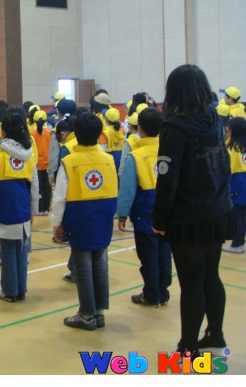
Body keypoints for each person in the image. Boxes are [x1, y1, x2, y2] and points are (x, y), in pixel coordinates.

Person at [152, 64, 232, 358]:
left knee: (192, 283)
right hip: (218, 209)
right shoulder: (214, 118)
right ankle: (215, 334)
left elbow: (167, 179)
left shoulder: (174, 127)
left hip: (190, 217)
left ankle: (188, 348)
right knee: (211, 275)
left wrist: (159, 218)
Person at [51, 112, 118, 330]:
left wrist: (56, 223)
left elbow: (59, 197)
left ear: (75, 135)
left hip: (80, 216)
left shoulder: (69, 161)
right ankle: (99, 312)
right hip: (103, 215)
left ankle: (87, 315)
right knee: (101, 263)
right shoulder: (108, 159)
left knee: (83, 267)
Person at [116, 107, 172, 307]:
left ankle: (151, 294)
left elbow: (127, 189)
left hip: (145, 213)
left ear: (140, 129)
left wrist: (122, 214)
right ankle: (163, 292)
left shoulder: (135, 157)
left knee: (148, 256)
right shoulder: (169, 151)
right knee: (164, 253)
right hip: (168, 212)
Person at [0, 112, 38, 302]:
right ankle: (21, 289)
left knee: (7, 251)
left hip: (4, 207)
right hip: (22, 208)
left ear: (3, 131)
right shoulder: (29, 154)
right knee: (21, 250)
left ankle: (9, 291)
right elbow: (35, 186)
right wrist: (33, 210)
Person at [223, 117, 246, 253]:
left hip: (238, 182)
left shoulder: (231, 148)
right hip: (242, 181)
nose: (227, 130)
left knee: (238, 214)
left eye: (229, 128)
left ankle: (238, 244)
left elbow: (225, 169)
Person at [30, 110, 51, 215]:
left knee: (38, 187)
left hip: (37, 164)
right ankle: (47, 208)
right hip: (48, 165)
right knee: (47, 187)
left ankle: (39, 208)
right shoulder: (50, 132)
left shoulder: (31, 134)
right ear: (46, 120)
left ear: (34, 120)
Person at [100, 107, 125, 172]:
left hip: (109, 160)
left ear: (106, 119)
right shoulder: (122, 131)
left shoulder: (104, 133)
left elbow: (102, 150)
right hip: (121, 158)